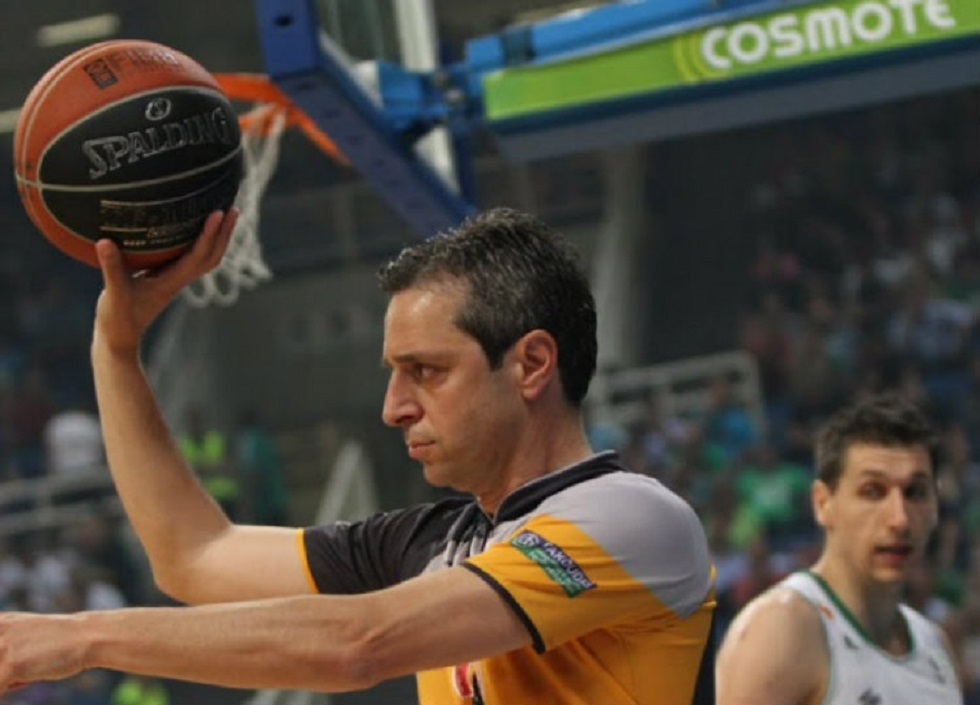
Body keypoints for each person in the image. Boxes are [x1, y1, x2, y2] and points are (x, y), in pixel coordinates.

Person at [0, 208, 716, 704]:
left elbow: (359, 644)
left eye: (426, 371)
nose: (394, 407)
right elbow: (193, 555)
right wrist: (116, 350)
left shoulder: (628, 517)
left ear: (530, 364)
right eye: (394, 374)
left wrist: (85, 636)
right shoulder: (433, 542)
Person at [716, 393, 963, 705]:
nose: (900, 519)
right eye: (872, 491)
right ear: (823, 503)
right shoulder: (782, 628)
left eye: (915, 492)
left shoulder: (936, 646)